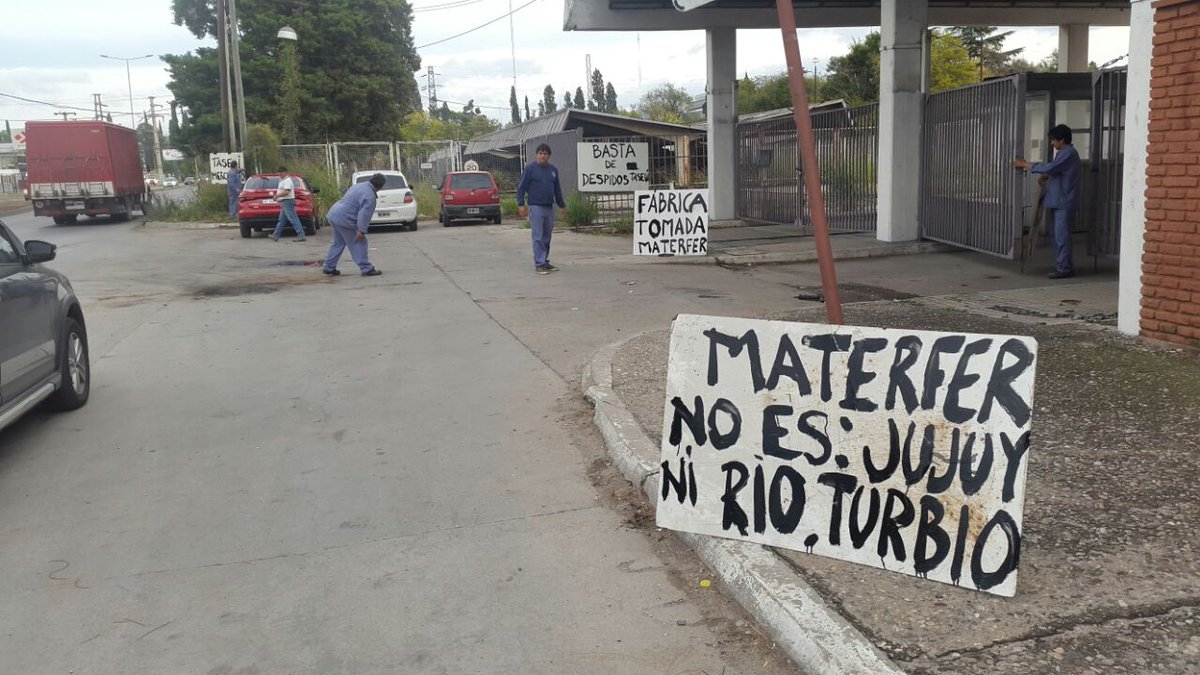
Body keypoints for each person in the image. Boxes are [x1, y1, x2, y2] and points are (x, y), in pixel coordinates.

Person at [1013, 124, 1080, 279]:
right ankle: (1063, 265)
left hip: (1064, 200)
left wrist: (1027, 165)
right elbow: (1057, 171)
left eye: (1054, 140)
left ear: (1062, 139)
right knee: (1056, 235)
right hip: (1058, 200)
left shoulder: (1068, 153)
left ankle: (1065, 268)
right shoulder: (1064, 153)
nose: (1052, 143)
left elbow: (1053, 167)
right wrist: (1048, 177)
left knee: (1061, 236)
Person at [516, 143, 567, 275]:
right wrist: (521, 204)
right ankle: (539, 263)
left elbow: (557, 189)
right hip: (536, 206)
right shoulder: (530, 169)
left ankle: (545, 260)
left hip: (548, 206)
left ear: (548, 156)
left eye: (545, 154)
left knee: (547, 236)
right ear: (537, 154)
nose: (542, 156)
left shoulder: (553, 170)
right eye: (540, 153)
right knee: (537, 236)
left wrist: (561, 205)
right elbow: (521, 187)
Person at [322, 173, 384, 277]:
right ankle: (366, 268)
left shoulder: (358, 186)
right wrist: (361, 230)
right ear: (381, 186)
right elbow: (364, 214)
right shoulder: (370, 196)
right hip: (345, 218)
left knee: (338, 243)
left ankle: (329, 267)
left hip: (334, 214)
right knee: (359, 242)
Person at [270, 167, 305, 242]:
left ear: (284, 172)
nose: (279, 174)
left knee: (293, 218)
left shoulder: (287, 180)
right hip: (284, 202)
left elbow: (287, 191)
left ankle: (301, 235)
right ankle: (275, 235)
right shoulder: (283, 180)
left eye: (280, 173)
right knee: (282, 220)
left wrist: (277, 196)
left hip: (287, 201)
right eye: (278, 173)